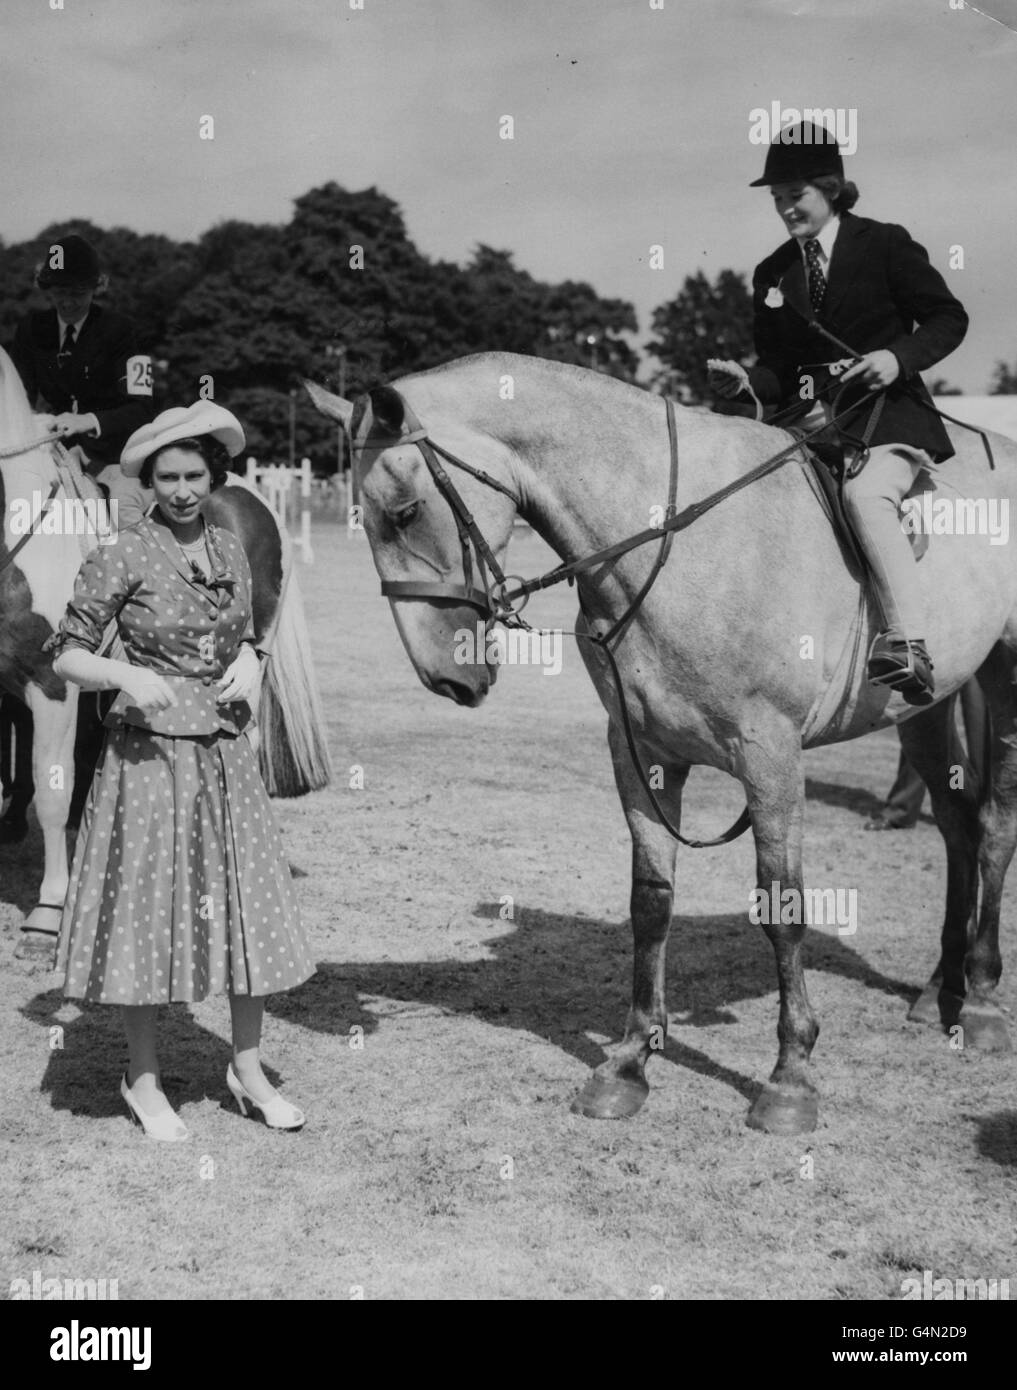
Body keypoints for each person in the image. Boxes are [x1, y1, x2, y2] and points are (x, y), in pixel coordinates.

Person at [48, 402, 313, 1140]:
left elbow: (249, 632)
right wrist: (120, 676)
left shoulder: (230, 548)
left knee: (243, 905)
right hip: (148, 758)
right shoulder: (123, 552)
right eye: (168, 477)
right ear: (149, 481)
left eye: (195, 474)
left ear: (213, 474)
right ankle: (142, 1078)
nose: (183, 490)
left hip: (224, 752)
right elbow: (63, 652)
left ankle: (247, 1069)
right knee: (148, 910)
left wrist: (253, 663)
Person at [710, 121, 968, 705]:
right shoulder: (772, 272)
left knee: (865, 498)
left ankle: (908, 643)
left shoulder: (885, 244)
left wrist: (895, 358)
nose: (784, 210)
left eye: (795, 196)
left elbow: (949, 318)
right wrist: (746, 380)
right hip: (809, 425)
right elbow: (780, 368)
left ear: (831, 188)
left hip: (890, 418)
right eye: (777, 200)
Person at [4, 233, 156, 851]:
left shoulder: (125, 332)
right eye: (57, 291)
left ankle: (131, 610)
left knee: (125, 516)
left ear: (97, 289)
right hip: (43, 451)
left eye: (76, 291)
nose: (66, 302)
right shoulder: (30, 330)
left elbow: (142, 406)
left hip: (107, 454)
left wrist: (86, 423)